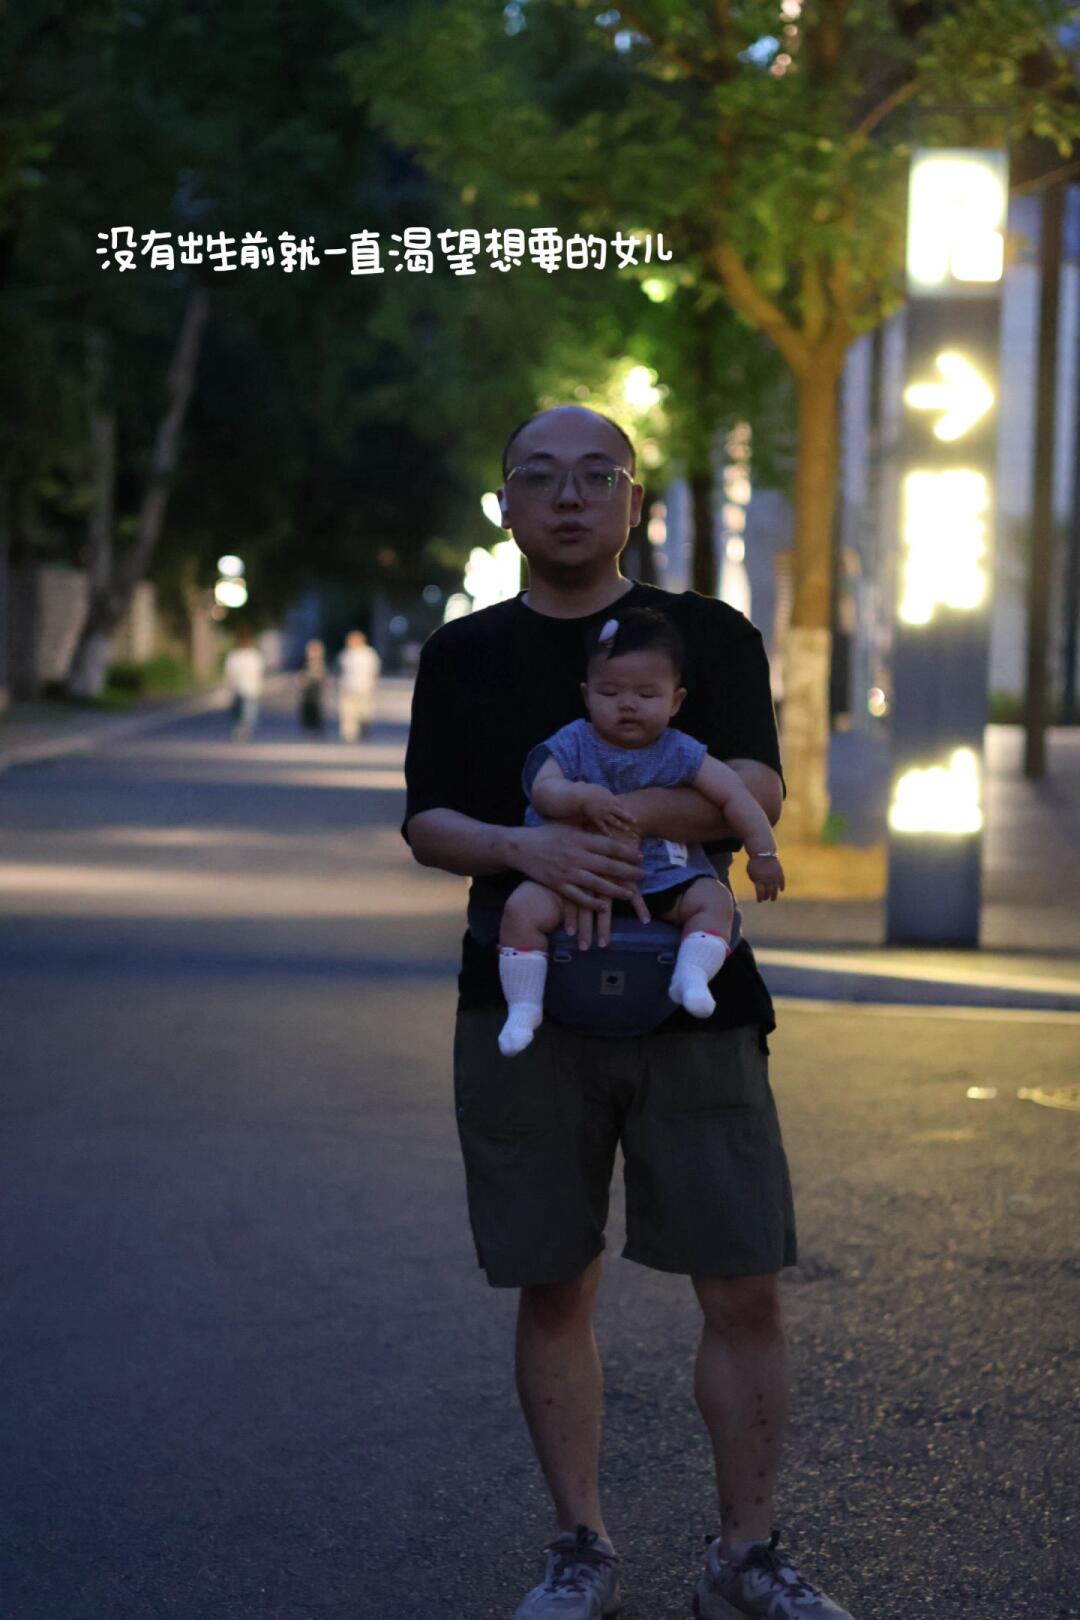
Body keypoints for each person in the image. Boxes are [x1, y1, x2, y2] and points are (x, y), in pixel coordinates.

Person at [403, 405, 855, 1620]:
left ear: (635, 503)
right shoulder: (465, 653)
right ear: (507, 504)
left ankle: (746, 1558)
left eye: (597, 476)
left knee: (743, 1278)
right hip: (527, 999)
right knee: (555, 1281)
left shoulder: (711, 635)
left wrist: (608, 825)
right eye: (541, 477)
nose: (569, 497)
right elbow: (429, 820)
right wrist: (526, 849)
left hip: (698, 1014)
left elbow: (752, 786)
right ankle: (580, 1550)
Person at [498, 606, 785, 1056]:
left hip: (664, 874)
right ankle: (523, 1005)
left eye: (647, 694)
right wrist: (580, 797)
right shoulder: (574, 741)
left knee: (714, 900)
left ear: (676, 701)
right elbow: (543, 789)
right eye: (610, 692)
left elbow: (735, 795)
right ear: (586, 694)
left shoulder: (681, 751)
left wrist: (763, 853)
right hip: (576, 873)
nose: (627, 704)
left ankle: (692, 974)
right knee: (521, 909)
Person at [336, 629, 381, 742]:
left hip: (364, 687)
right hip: (348, 687)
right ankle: (349, 734)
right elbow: (340, 670)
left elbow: (374, 670)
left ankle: (364, 727)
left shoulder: (369, 653)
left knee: (364, 712)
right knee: (348, 712)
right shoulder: (346, 654)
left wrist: (373, 684)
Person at [222, 628, 264, 742]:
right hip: (244, 687)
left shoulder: (238, 655)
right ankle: (243, 729)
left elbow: (228, 672)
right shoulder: (250, 655)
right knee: (245, 710)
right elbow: (258, 672)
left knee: (244, 710)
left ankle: (242, 729)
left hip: (243, 687)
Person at [298, 638, 327, 733]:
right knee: (307, 708)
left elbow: (323, 678)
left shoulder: (321, 664)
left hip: (317, 691)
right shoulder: (305, 665)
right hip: (307, 692)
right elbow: (301, 677)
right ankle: (308, 726)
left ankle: (316, 726)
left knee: (317, 708)